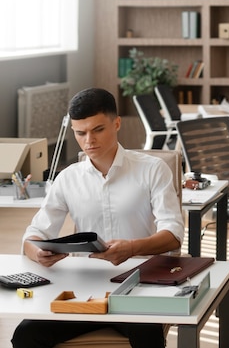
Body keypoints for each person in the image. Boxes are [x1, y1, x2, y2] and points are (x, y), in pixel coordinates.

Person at [12, 88, 185, 348]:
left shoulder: (152, 169)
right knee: (25, 334)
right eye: (80, 133)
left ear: (116, 123)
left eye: (98, 130)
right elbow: (33, 236)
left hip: (137, 287)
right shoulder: (68, 178)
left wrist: (132, 248)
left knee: (146, 334)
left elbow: (173, 235)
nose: (89, 140)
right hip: (85, 290)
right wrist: (37, 252)